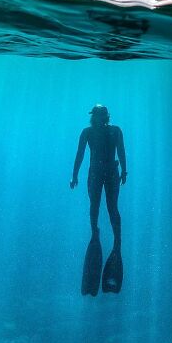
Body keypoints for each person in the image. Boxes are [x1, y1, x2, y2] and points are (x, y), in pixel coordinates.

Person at [70, 104, 127, 252]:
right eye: (95, 116)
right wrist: (74, 174)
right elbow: (80, 154)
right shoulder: (87, 133)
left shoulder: (115, 131)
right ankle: (95, 233)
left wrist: (124, 171)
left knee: (112, 206)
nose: (96, 118)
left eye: (98, 115)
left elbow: (121, 151)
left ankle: (116, 239)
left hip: (109, 172)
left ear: (105, 116)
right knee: (95, 204)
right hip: (97, 172)